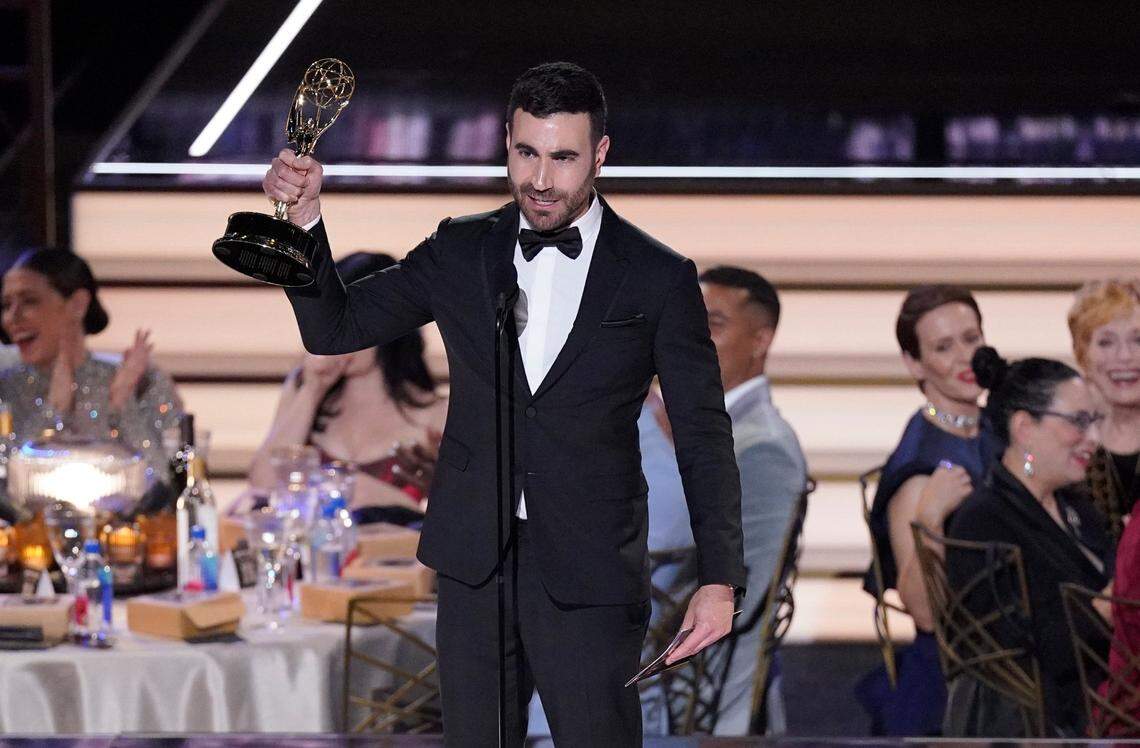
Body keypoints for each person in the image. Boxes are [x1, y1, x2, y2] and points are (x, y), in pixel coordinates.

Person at [262, 62, 744, 746]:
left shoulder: (658, 276)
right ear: (505, 144)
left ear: (600, 154)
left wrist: (720, 580)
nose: (542, 179)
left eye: (564, 157)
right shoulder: (462, 250)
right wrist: (305, 220)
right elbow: (334, 328)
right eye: (526, 154)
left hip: (590, 565)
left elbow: (702, 433)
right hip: (474, 558)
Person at [857, 285, 1002, 736]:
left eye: (971, 338)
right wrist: (929, 518)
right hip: (957, 681)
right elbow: (923, 611)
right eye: (943, 346)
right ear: (914, 364)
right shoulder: (920, 467)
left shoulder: (1001, 428)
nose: (964, 357)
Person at [945, 346, 1111, 737]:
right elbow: (1004, 653)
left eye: (1095, 421)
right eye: (1078, 422)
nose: (1094, 438)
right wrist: (1103, 610)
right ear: (1023, 428)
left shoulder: (1079, 509)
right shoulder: (982, 521)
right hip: (1041, 729)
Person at [244, 252, 447, 520]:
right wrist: (313, 390)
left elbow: (458, 515)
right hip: (314, 557)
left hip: (395, 556)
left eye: (346, 316)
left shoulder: (436, 413)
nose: (334, 331)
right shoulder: (304, 388)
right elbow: (262, 484)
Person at [698, 265, 807, 735]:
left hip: (707, 707)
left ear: (761, 340)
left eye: (714, 325)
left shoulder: (762, 447)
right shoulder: (702, 430)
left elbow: (738, 597)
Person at [0, 249, 183, 515]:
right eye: (6, 305)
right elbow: (7, 497)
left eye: (29, 301)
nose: (11, 318)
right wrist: (52, 412)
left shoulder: (141, 380)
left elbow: (168, 492)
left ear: (77, 304)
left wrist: (122, 404)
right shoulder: (7, 388)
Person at [1067, 278, 1140, 541]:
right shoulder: (1064, 440)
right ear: (1082, 354)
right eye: (1106, 342)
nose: (1125, 357)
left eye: (1138, 340)